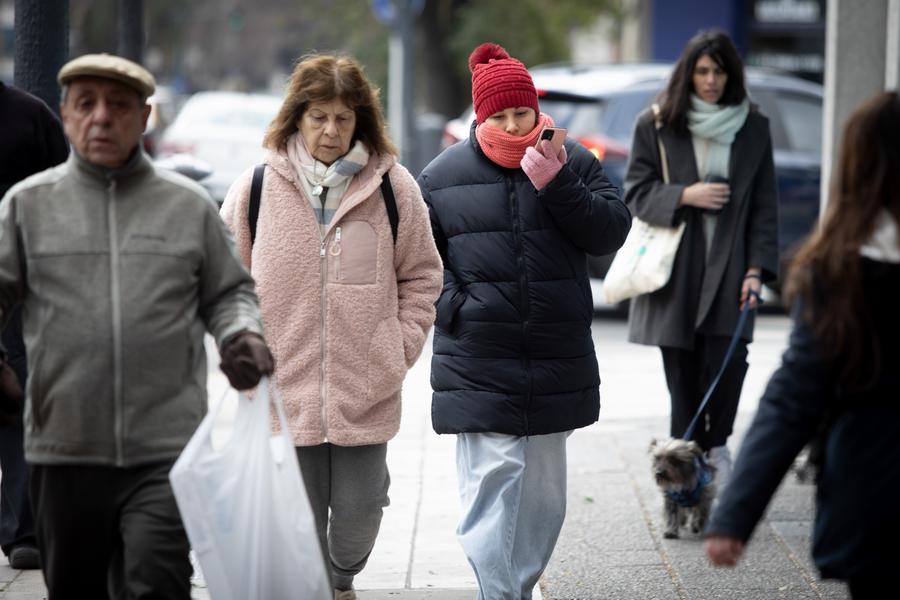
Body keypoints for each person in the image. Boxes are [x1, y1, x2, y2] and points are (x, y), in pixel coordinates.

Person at [0, 53, 274, 599]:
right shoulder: (26, 207)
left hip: (166, 450)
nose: (102, 117)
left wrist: (241, 333)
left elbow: (229, 292)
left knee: (157, 582)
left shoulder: (188, 207)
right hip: (64, 450)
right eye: (87, 105)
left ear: (145, 116)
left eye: (119, 106)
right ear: (66, 115)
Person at [220, 53, 442, 600]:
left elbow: (423, 276)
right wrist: (243, 346)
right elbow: (225, 282)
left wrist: (400, 345)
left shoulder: (393, 188)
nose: (330, 130)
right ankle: (321, 588)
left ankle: (344, 575)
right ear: (297, 117)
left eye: (343, 118)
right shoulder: (255, 189)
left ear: (360, 121)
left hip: (366, 387)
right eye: (318, 116)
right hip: (283, 389)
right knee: (300, 524)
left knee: (359, 516)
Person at [417, 42, 630, 599]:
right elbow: (416, 262)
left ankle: (519, 585)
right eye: (500, 116)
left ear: (537, 109)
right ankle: (501, 593)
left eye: (523, 113)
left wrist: (558, 184)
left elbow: (611, 232)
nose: (514, 126)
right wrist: (460, 307)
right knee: (490, 488)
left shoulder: (575, 160)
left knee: (542, 500)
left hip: (556, 353)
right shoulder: (440, 178)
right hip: (480, 356)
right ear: (480, 117)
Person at [704, 90, 900, 600]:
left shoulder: (841, 272)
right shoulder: (841, 271)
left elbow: (794, 400)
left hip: (877, 501)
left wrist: (735, 514)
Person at [622, 30, 778, 485]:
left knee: (730, 364)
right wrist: (685, 194)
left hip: (732, 266)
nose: (710, 80)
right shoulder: (656, 123)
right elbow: (635, 191)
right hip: (679, 268)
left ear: (732, 74)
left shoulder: (753, 126)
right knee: (683, 374)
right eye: (702, 70)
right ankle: (683, 471)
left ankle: (717, 448)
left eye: (719, 70)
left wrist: (756, 270)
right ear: (688, 73)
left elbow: (766, 203)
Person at [0, 82, 69, 570]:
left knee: (17, 397)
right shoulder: (31, 114)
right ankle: (23, 528)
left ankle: (24, 527)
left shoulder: (30, 115)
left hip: (19, 281)